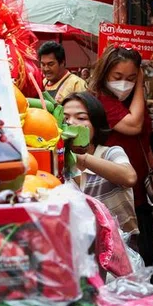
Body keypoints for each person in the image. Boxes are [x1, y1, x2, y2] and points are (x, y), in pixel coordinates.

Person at [90, 46, 153, 266]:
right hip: (114, 193)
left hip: (140, 193)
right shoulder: (101, 100)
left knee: (146, 255)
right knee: (121, 261)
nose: (123, 84)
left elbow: (144, 141)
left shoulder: (133, 103)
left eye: (130, 77)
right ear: (105, 73)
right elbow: (134, 125)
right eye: (117, 77)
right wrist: (139, 84)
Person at [62, 92, 138, 234]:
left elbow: (129, 177)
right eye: (65, 118)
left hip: (120, 248)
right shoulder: (59, 162)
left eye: (81, 118)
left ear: (96, 125)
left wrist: (81, 157)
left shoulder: (111, 153)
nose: (71, 123)